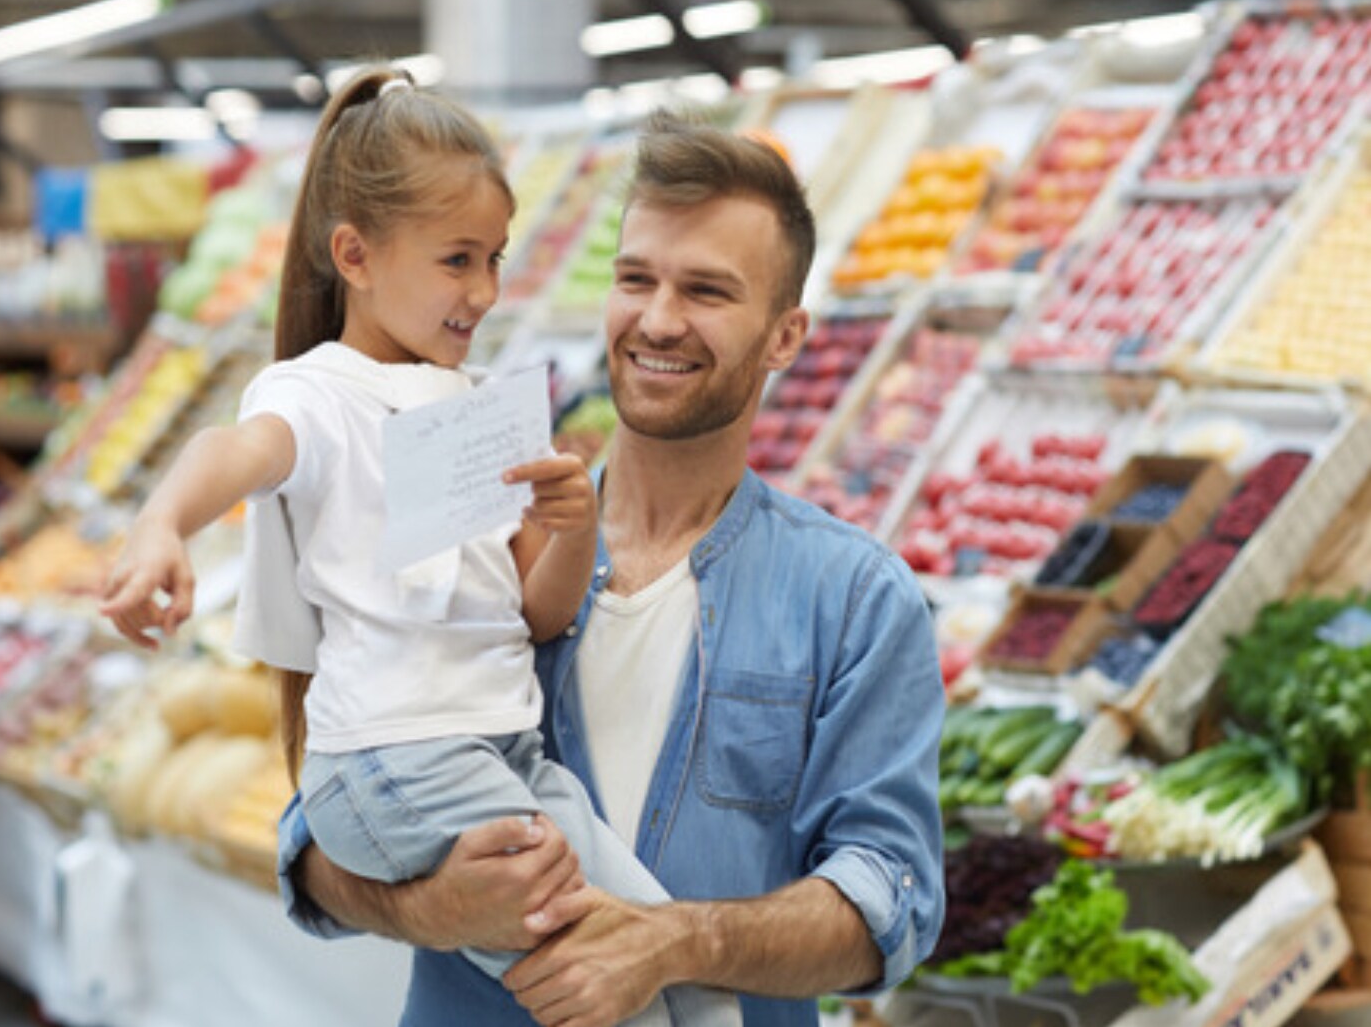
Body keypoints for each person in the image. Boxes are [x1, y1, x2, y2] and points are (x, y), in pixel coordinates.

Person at [99, 67, 738, 1027]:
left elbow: (538, 614)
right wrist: (159, 526)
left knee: (679, 964)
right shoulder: (316, 395)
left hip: (508, 755)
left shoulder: (478, 409)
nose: (483, 290)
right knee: (619, 998)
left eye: (496, 258)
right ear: (354, 254)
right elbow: (232, 452)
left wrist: (575, 528)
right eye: (456, 260)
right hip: (399, 762)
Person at [281, 109, 947, 1027]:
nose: (659, 320)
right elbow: (317, 831)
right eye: (636, 278)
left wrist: (676, 940)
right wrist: (428, 908)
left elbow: (891, 897)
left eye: (708, 291)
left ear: (786, 336)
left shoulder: (856, 599)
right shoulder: (478, 528)